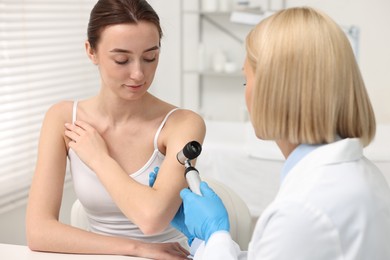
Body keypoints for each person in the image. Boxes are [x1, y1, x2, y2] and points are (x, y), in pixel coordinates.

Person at [173, 7, 390, 259]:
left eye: (246, 81)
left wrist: (216, 236)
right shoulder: (362, 173)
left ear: (273, 90)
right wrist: (205, 242)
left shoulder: (303, 209)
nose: (246, 94)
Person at [26, 0, 205, 259]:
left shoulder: (183, 123)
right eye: (122, 60)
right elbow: (39, 231)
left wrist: (99, 159)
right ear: (91, 51)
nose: (138, 74)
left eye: (150, 57)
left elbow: (152, 219)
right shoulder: (63, 119)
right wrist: (137, 248)